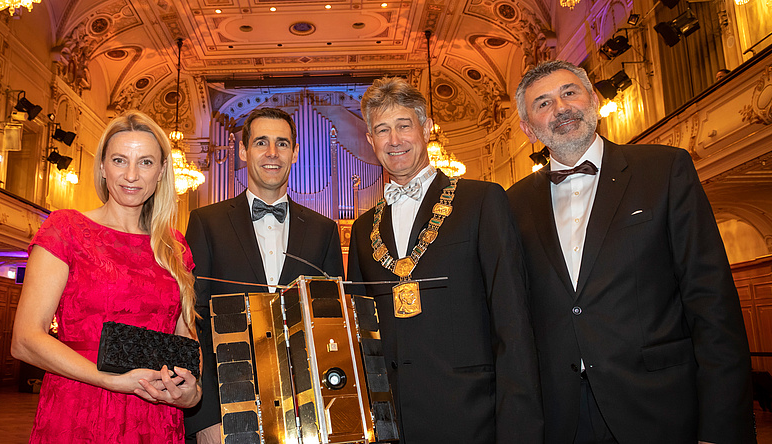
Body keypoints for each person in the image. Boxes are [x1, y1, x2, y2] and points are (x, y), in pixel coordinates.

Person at [507, 60, 755, 444]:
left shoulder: (664, 169)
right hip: (563, 417)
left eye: (569, 92)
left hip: (661, 406)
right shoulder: (512, 204)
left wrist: (721, 426)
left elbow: (711, 300)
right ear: (528, 128)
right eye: (543, 103)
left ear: (593, 98)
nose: (560, 108)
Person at [345, 77, 543, 443]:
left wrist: (520, 428)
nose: (394, 140)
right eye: (382, 130)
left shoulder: (482, 201)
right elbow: (364, 340)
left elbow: (512, 321)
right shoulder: (362, 230)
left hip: (473, 417)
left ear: (426, 128)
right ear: (371, 141)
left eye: (404, 125)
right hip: (393, 425)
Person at [11, 111, 201, 443]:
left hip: (155, 414)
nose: (131, 175)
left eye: (145, 162)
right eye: (119, 160)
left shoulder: (176, 246)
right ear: (102, 167)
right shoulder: (66, 228)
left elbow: (185, 342)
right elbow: (25, 340)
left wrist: (190, 392)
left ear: (161, 172)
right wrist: (110, 380)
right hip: (80, 405)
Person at [184, 107, 344, 443]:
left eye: (282, 144)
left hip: (307, 412)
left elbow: (332, 326)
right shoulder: (206, 223)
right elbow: (193, 322)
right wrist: (205, 418)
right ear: (243, 152)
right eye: (261, 143)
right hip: (228, 408)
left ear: (295, 153)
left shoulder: (324, 230)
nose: (272, 153)